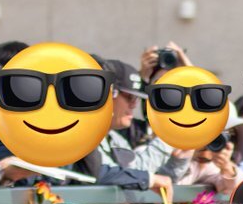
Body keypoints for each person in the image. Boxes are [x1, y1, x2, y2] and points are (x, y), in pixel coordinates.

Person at [76, 60, 188, 193]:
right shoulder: (76, 131)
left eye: (136, 99)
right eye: (130, 97)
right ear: (109, 93)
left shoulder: (115, 138)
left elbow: (136, 171)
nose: (134, 105)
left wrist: (177, 160)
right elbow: (100, 173)